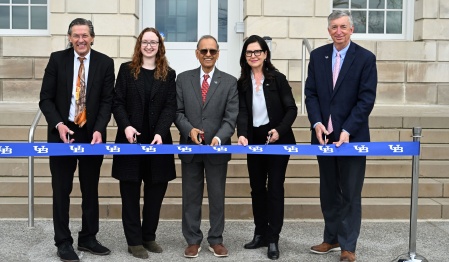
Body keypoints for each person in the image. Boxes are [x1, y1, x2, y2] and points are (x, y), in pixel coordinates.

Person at [39, 18, 115, 262]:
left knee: (90, 188)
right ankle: (63, 242)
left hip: (91, 134)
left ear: (92, 37)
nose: (80, 40)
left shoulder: (105, 63)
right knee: (61, 189)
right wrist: (59, 124)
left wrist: (100, 129)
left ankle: (88, 238)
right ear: (69, 38)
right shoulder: (57, 60)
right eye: (75, 35)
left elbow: (106, 101)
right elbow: (45, 99)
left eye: (85, 35)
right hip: (63, 133)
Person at [304, 10, 377, 262]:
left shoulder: (365, 58)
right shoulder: (317, 56)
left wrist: (346, 130)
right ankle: (332, 238)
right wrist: (316, 123)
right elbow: (310, 94)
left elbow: (366, 100)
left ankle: (348, 246)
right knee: (328, 191)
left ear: (351, 29)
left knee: (350, 192)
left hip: (352, 138)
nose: (338, 31)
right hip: (323, 137)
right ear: (328, 30)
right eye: (334, 27)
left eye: (343, 27)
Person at [111, 27, 177, 259]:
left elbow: (170, 106)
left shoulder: (169, 74)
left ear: (160, 46)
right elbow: (117, 102)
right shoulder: (127, 71)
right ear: (139, 45)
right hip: (130, 140)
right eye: (145, 42)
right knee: (129, 191)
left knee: (155, 191)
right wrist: (126, 126)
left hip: (158, 142)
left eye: (154, 42)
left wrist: (161, 132)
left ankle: (148, 236)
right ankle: (134, 241)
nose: (149, 46)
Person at [174, 35, 238, 258]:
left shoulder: (230, 82)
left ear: (218, 53)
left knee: (217, 196)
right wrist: (189, 130)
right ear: (197, 53)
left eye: (212, 51)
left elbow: (231, 117)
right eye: (204, 51)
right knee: (190, 196)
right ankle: (192, 239)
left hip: (217, 150)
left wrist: (219, 138)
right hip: (190, 148)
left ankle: (216, 239)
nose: (208, 55)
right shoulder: (183, 79)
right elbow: (178, 112)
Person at [236, 35, 297, 260]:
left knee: (274, 188)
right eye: (249, 52)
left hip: (278, 139)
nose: (253, 56)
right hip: (254, 139)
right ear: (245, 56)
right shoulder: (241, 82)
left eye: (257, 52)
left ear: (265, 54)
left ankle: (273, 238)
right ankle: (260, 232)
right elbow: (242, 112)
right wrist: (242, 134)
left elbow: (291, 109)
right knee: (257, 188)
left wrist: (279, 130)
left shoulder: (278, 79)